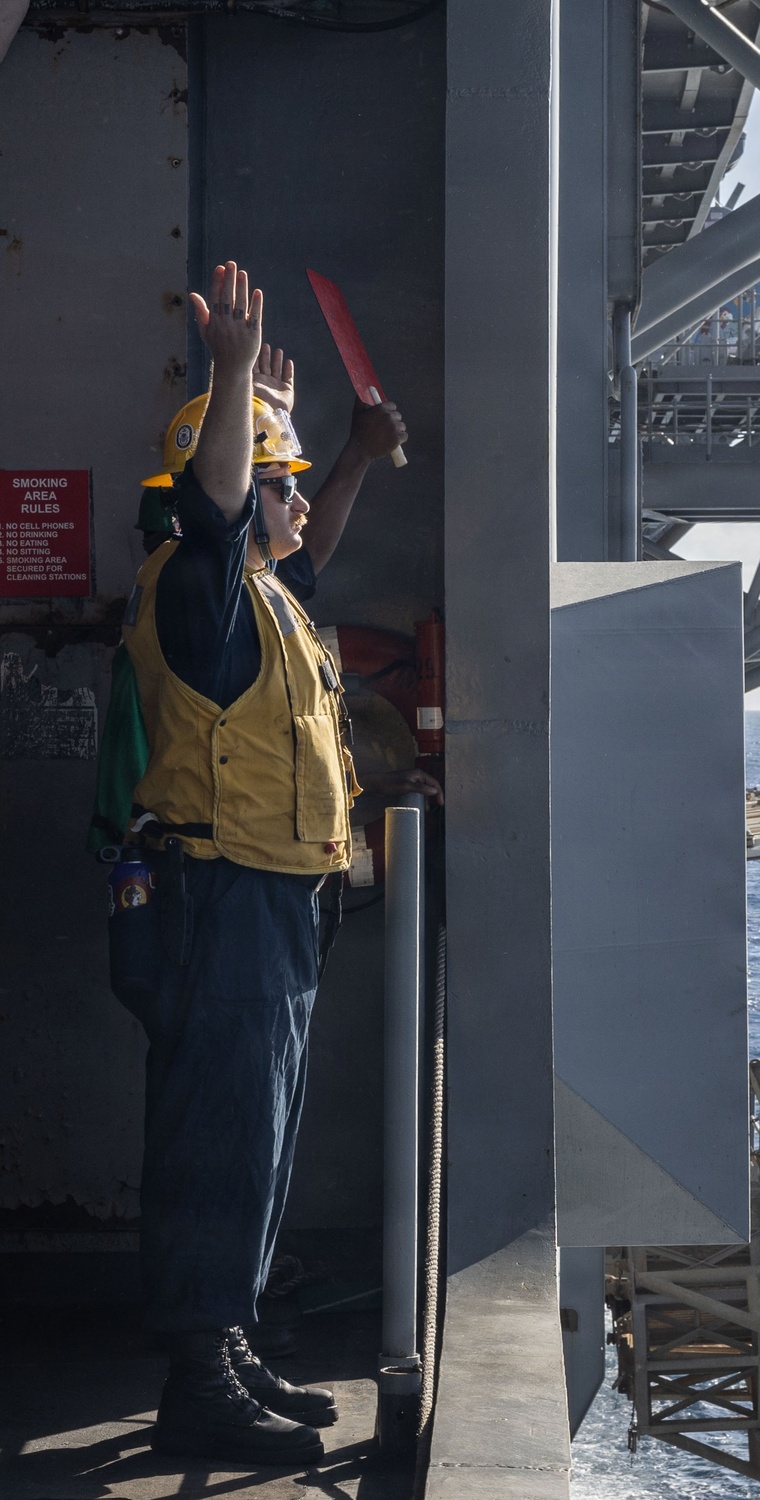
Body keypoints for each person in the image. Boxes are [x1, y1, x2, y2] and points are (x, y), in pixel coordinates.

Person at [118, 260, 419, 1467]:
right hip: (221, 898)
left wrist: (343, 453)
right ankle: (198, 1380)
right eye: (275, 484)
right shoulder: (197, 588)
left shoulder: (261, 595)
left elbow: (301, 547)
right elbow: (225, 516)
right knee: (219, 1139)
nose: (289, 502)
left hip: (272, 899)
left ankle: (229, 1341)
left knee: (260, 1137)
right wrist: (235, 376)